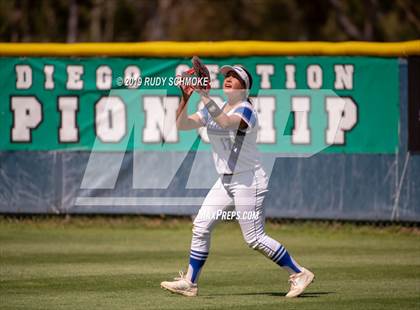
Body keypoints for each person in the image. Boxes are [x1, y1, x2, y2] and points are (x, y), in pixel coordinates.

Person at [160, 64, 314, 298]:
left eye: (235, 76)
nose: (228, 79)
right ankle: (190, 283)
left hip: (248, 180)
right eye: (226, 75)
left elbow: (225, 122)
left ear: (245, 88)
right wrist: (185, 97)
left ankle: (299, 273)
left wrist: (203, 95)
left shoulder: (247, 109)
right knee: (201, 226)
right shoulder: (217, 106)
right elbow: (182, 125)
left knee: (254, 238)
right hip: (225, 181)